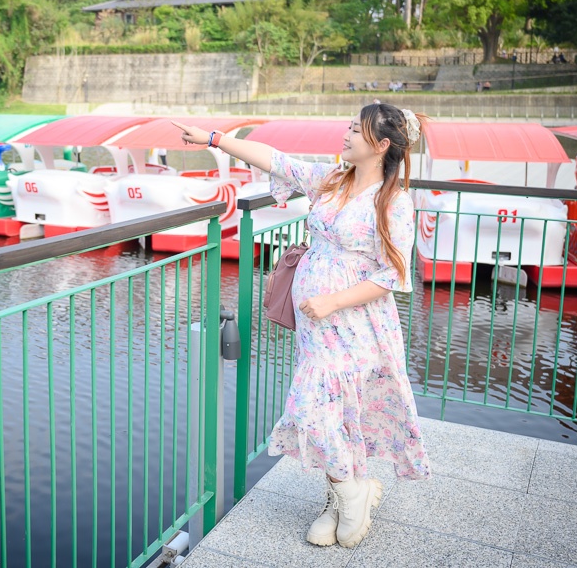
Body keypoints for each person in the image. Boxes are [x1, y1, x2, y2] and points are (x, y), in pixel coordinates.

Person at [172, 104, 432, 548]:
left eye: (356, 130)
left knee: (324, 407)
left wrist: (332, 300)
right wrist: (215, 139)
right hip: (317, 327)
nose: (346, 134)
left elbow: (393, 275)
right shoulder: (331, 179)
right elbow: (273, 159)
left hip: (357, 324)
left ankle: (348, 498)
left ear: (382, 144)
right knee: (327, 408)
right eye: (348, 125)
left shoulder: (394, 202)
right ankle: (347, 496)